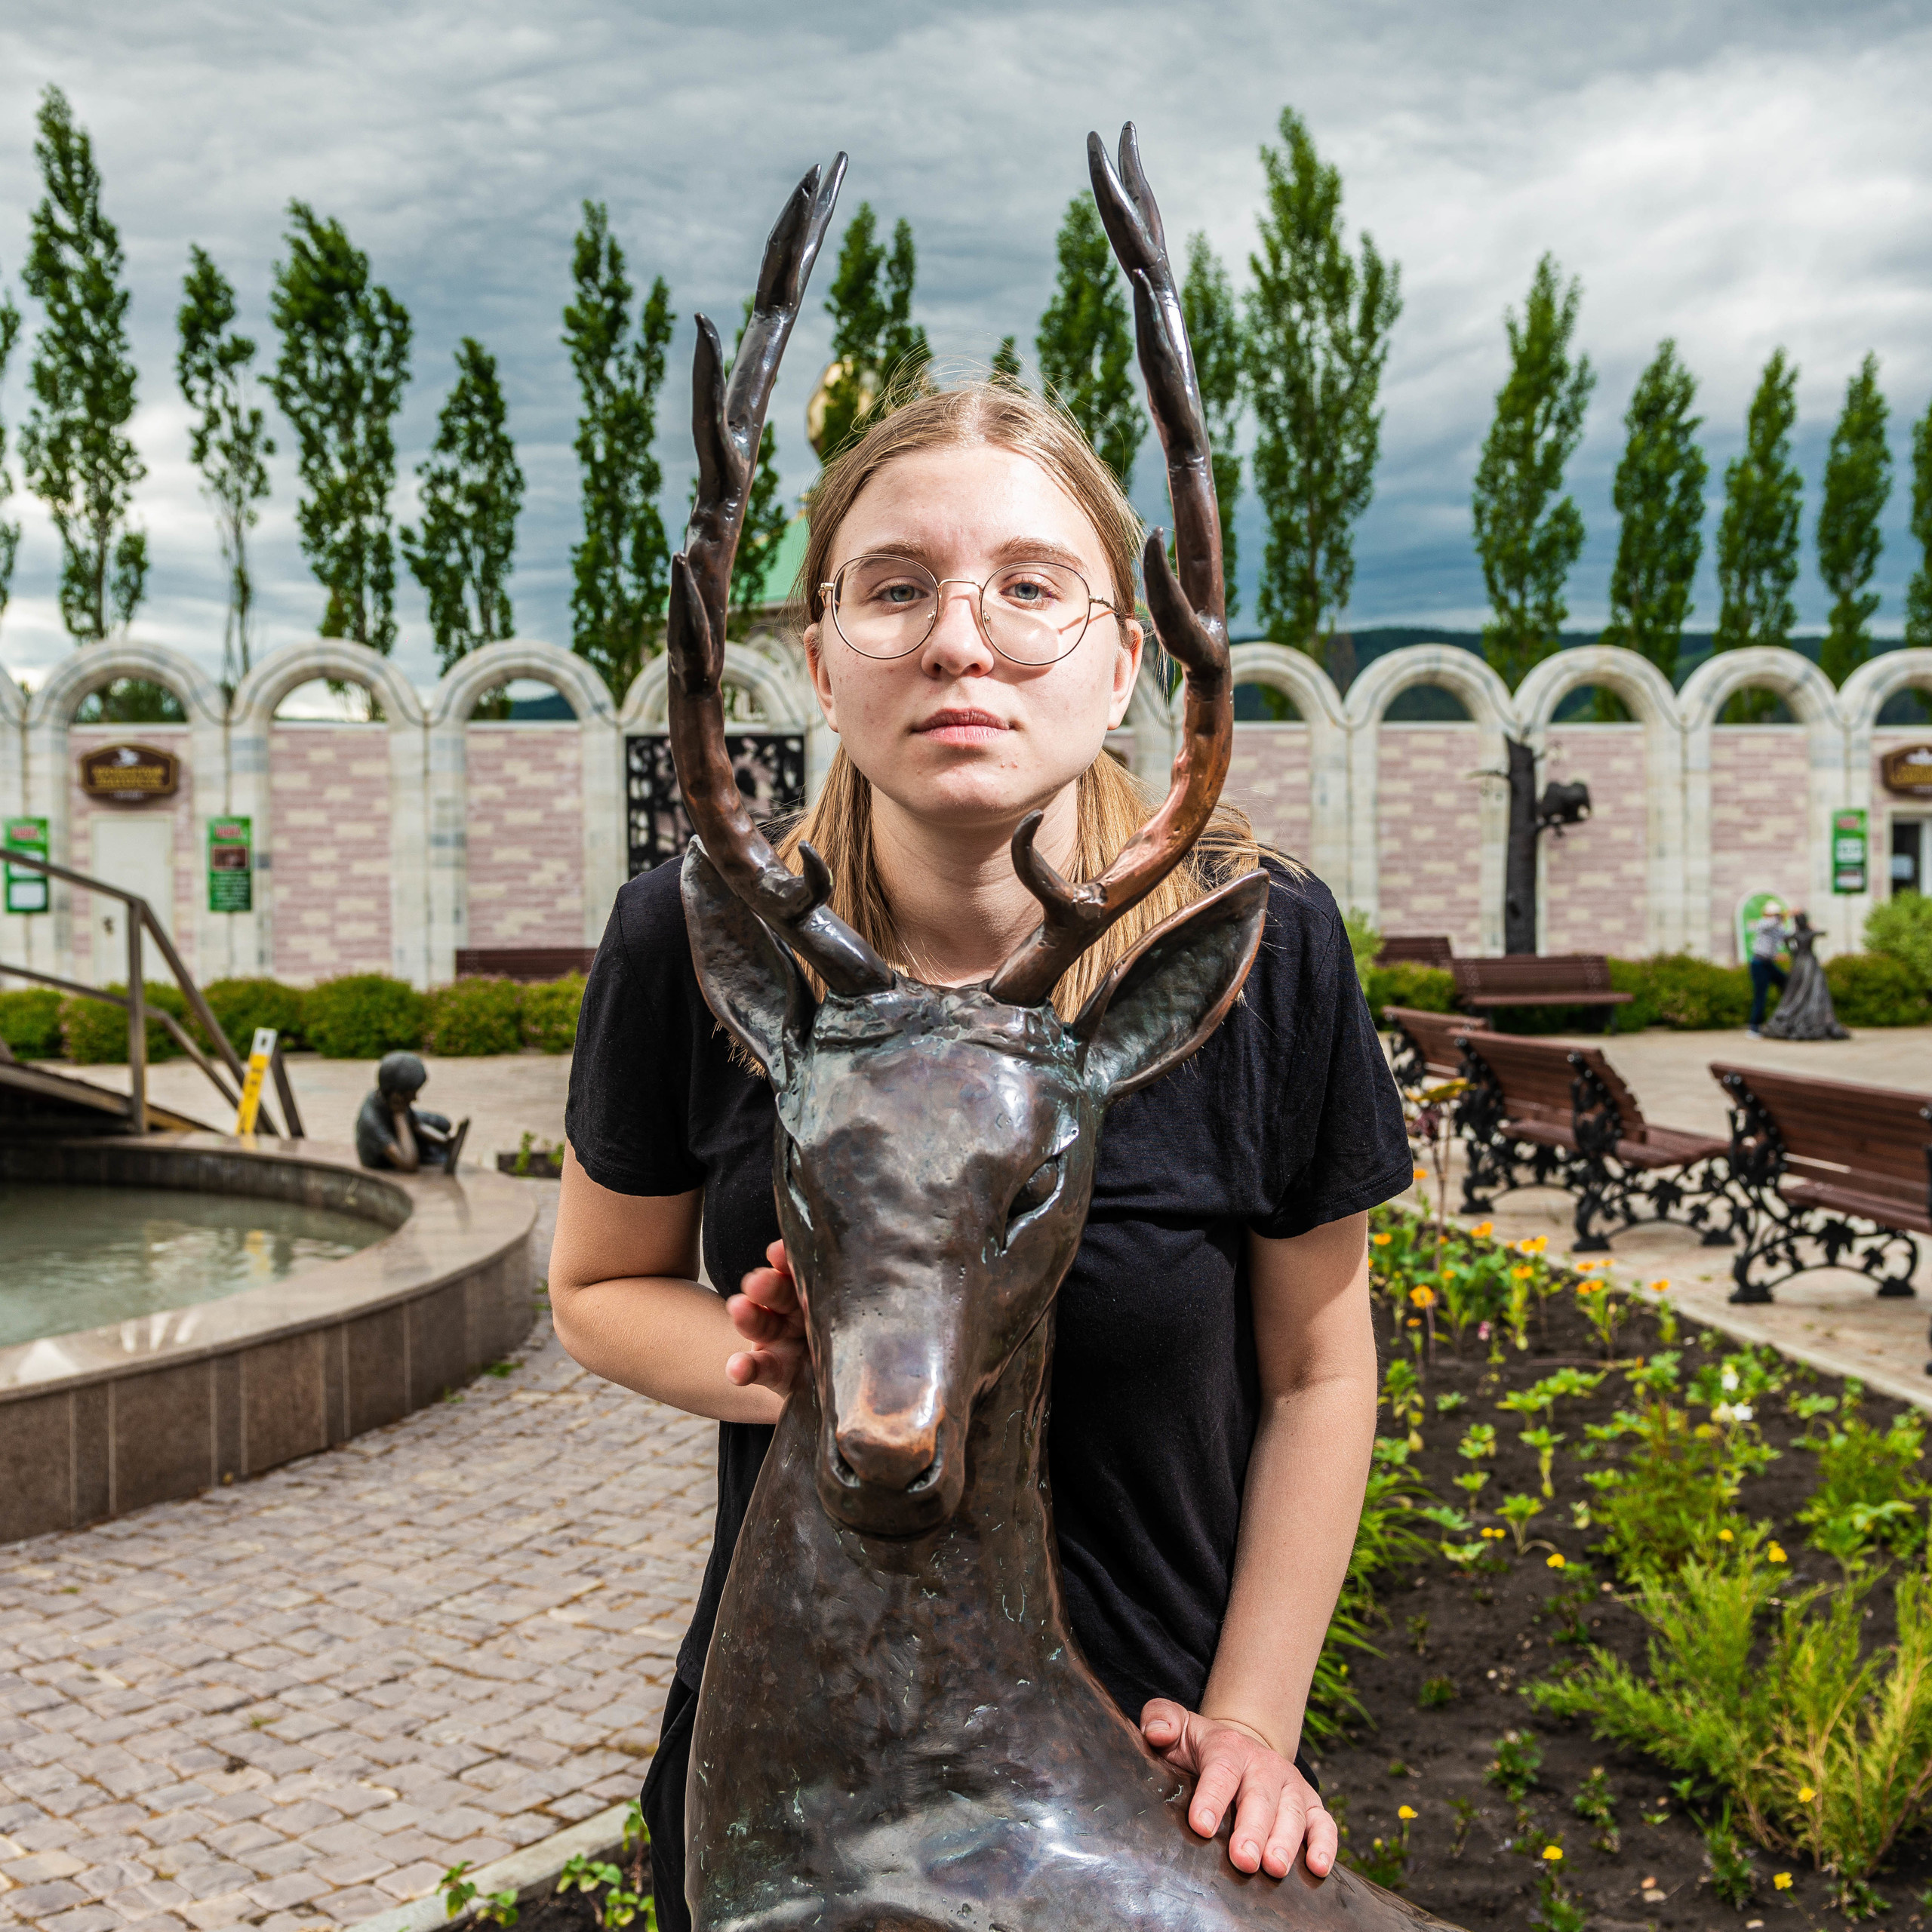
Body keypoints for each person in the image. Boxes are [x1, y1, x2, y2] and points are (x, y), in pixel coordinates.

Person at [549, 382, 1411, 1928]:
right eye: (894, 588)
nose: (960, 639)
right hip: (792, 1773)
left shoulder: (1257, 949)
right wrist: (796, 1360)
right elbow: (598, 1287)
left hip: (1140, 1776)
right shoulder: (694, 937)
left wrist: (1252, 1723)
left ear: (1124, 652)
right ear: (816, 656)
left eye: (1030, 586)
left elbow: (1315, 1371)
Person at [352, 1051, 469, 1172]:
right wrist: (399, 1114)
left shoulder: (392, 1099)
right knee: (424, 1151)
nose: (415, 1098)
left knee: (443, 1124)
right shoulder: (372, 1120)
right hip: (383, 1161)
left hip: (399, 1133)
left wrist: (444, 1141)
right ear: (398, 1094)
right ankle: (426, 1152)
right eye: (412, 1092)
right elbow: (409, 1164)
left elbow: (416, 1125)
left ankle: (429, 1150)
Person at [1746, 900, 1789, 1037]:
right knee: (1761, 995)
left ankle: (1786, 1016)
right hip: (1758, 964)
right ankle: (1754, 1027)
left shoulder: (1778, 928)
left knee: (1786, 983)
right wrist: (1787, 913)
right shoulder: (1764, 924)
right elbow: (1771, 923)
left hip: (1769, 964)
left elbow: (1788, 937)